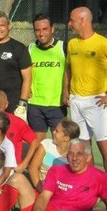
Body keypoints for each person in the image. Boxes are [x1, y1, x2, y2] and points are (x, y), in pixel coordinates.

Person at [66, 6, 107, 197]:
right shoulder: (72, 44)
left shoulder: (104, 43)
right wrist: (66, 91)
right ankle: (92, 187)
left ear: (83, 20)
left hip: (96, 102)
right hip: (76, 102)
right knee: (84, 149)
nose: (69, 23)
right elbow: (68, 69)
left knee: (105, 148)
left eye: (72, 20)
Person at [28, 13, 67, 150]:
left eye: (45, 29)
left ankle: (58, 170)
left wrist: (67, 91)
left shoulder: (63, 48)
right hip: (35, 104)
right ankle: (38, 170)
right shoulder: (30, 49)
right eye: (37, 30)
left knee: (60, 142)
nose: (41, 33)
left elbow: (72, 71)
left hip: (57, 104)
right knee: (38, 144)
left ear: (52, 29)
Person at [27, 119, 80, 191]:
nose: (53, 132)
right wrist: (41, 191)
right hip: (40, 188)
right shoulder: (46, 144)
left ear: (66, 138)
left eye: (57, 131)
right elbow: (32, 168)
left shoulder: (74, 156)